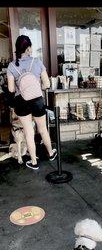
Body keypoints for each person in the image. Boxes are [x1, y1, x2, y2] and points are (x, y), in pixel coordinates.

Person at [7, 35, 57, 170]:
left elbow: (11, 89)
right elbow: (46, 84)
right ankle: (51, 153)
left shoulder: (12, 66)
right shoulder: (37, 62)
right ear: (29, 48)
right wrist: (35, 88)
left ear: (17, 49)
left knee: (29, 131)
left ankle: (34, 161)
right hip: (37, 100)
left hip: (21, 102)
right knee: (42, 129)